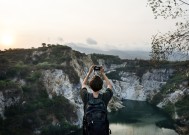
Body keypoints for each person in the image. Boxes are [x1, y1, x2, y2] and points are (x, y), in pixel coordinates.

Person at [80, 65, 113, 135]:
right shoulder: (104, 97)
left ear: (90, 86)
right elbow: (109, 85)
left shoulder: (85, 96)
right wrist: (103, 73)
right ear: (101, 87)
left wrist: (89, 73)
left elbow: (83, 84)